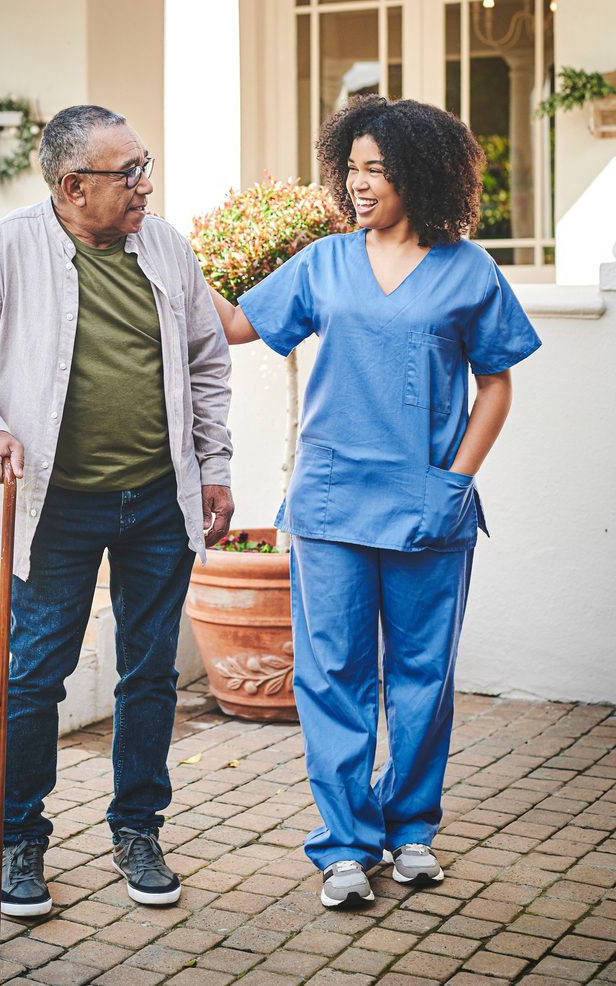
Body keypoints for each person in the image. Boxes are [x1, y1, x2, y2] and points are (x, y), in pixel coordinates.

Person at [209, 95, 541, 907]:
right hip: (329, 503)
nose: (360, 185)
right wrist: (165, 263)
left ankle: (413, 830)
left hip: (431, 504)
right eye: (353, 169)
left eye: (378, 171)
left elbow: (495, 386)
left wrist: (455, 481)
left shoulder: (469, 270)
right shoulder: (325, 263)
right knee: (334, 674)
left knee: (423, 674)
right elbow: (239, 327)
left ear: (419, 175)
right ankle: (346, 844)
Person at [0, 104, 234, 917]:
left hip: (158, 503)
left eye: (145, 164)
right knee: (34, 679)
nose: (146, 184)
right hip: (53, 506)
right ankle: (19, 841)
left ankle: (138, 827)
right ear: (72, 186)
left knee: (150, 674)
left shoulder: (166, 245)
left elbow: (206, 363)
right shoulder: (7, 248)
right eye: (128, 173)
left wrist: (215, 468)